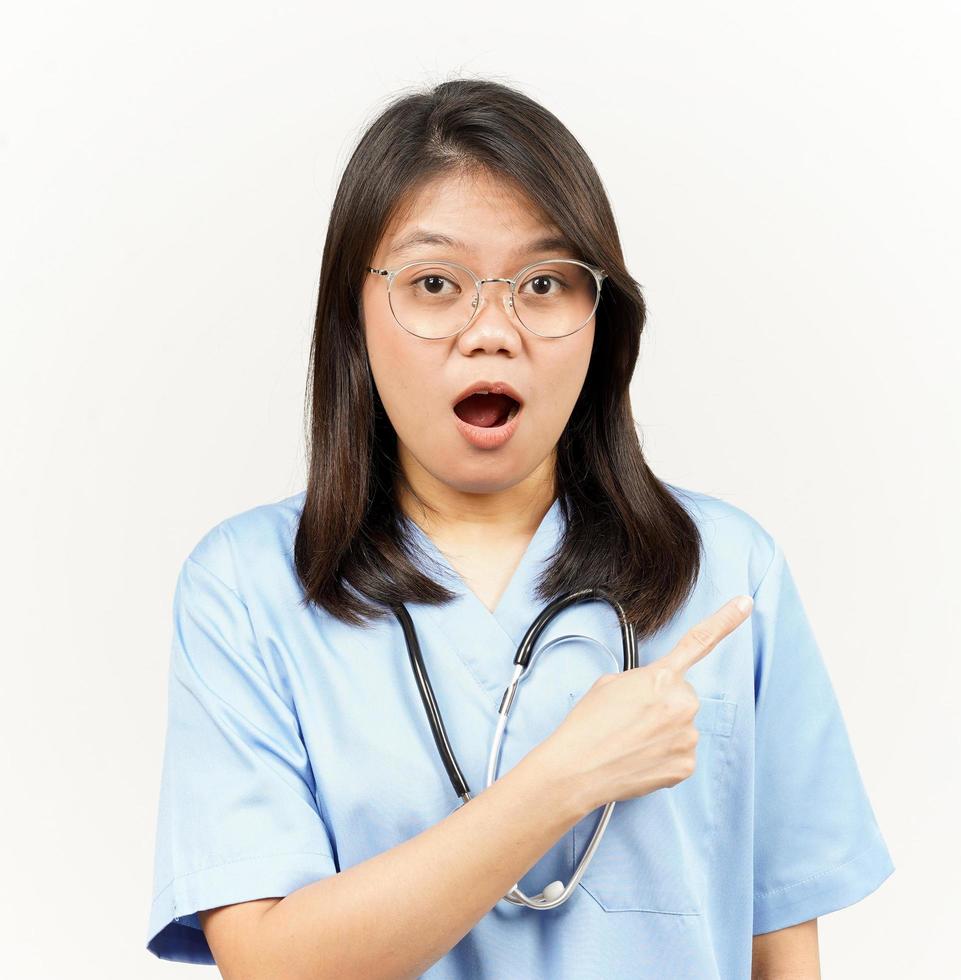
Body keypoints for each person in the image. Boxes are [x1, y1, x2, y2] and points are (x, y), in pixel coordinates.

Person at [144, 77, 894, 979]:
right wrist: (565, 777)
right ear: (356, 313)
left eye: (543, 284)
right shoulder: (249, 587)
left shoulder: (729, 572)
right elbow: (272, 964)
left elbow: (777, 944)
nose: (491, 330)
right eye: (434, 283)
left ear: (600, 319)